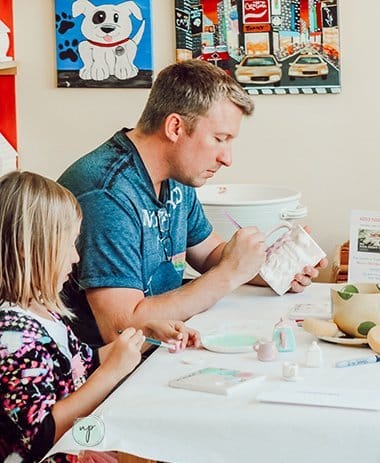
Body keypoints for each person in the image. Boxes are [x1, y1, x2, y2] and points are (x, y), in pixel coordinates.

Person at [59, 59, 327, 346]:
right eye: (219, 139)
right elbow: (122, 328)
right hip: (108, 369)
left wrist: (272, 267)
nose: (227, 158)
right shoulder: (107, 195)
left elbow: (209, 254)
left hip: (166, 346)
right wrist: (229, 273)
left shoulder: (175, 175)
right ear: (175, 127)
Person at [0, 171, 200, 463]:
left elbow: (82, 364)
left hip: (76, 446)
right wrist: (112, 373)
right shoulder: (12, 337)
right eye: (68, 245)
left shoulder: (44, 312)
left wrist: (143, 336)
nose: (76, 258)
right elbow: (40, 438)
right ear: (26, 249)